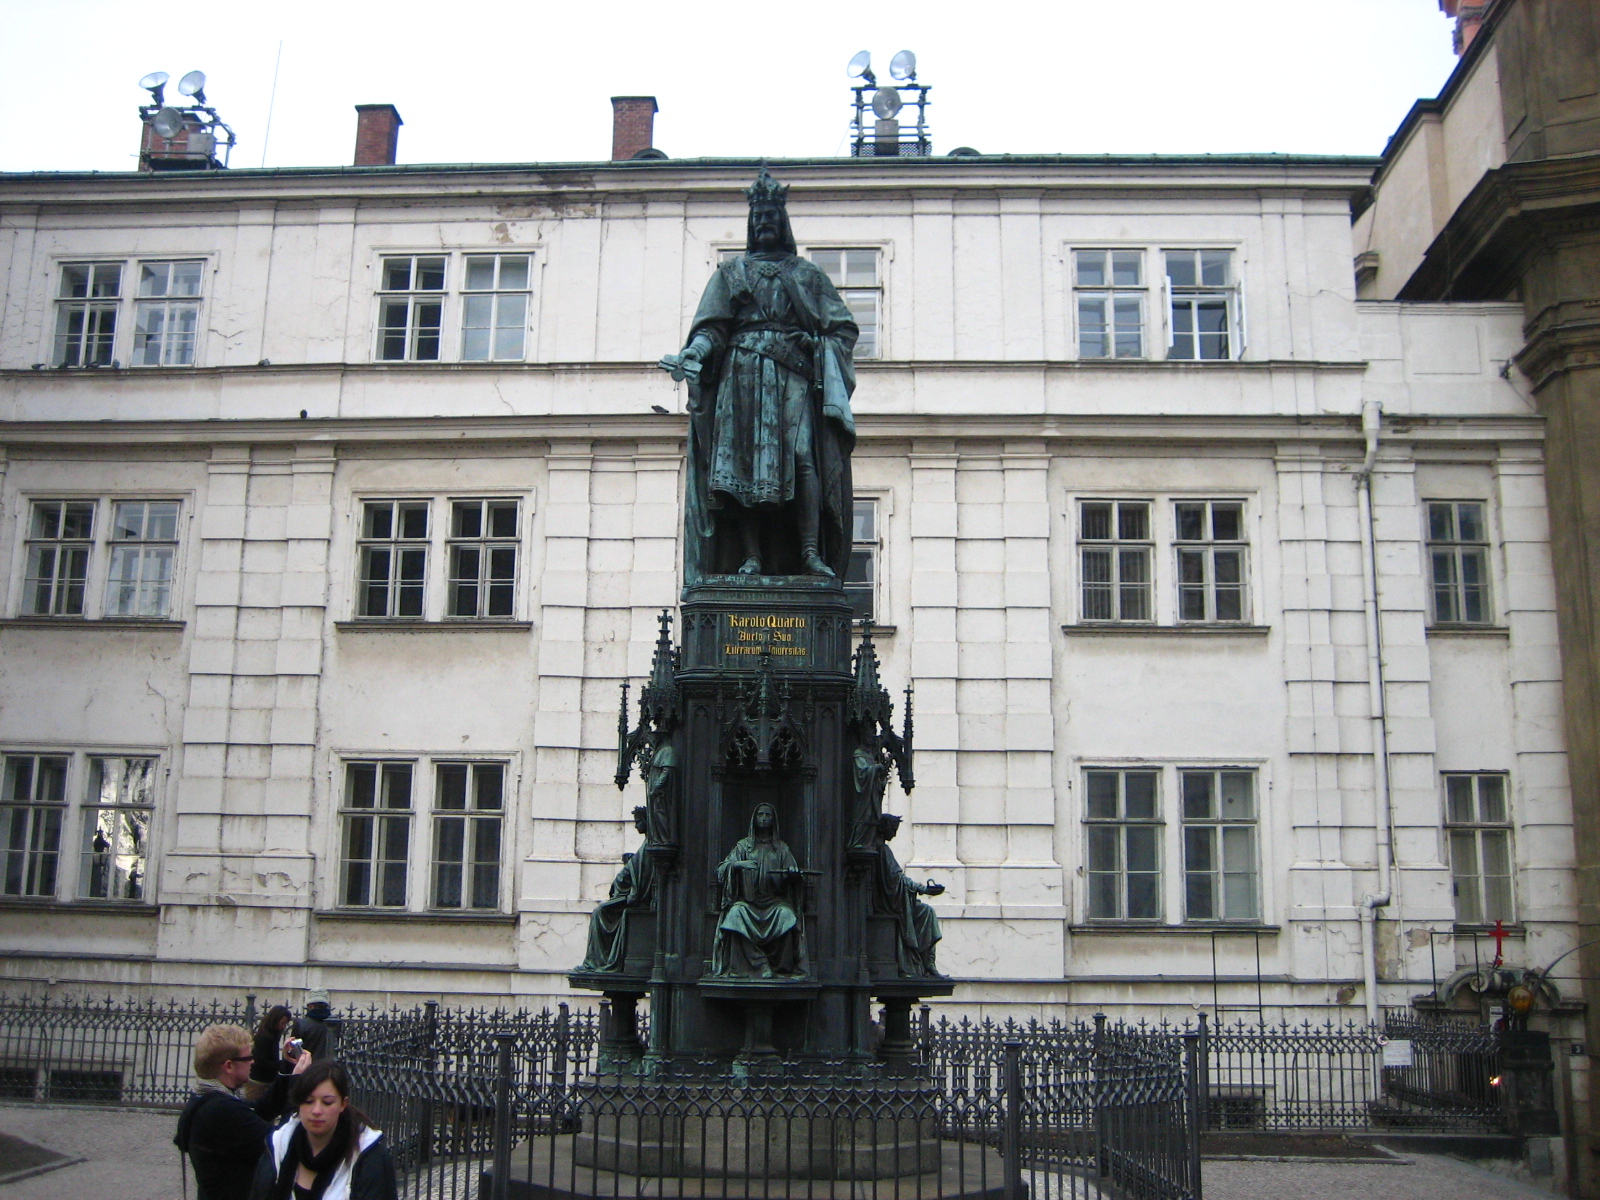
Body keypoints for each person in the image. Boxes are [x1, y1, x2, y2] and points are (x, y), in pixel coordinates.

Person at [663, 167, 859, 583]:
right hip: (741, 379)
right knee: (744, 467)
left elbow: (842, 329)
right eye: (759, 217)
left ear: (782, 222)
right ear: (751, 224)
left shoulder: (807, 275)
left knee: (804, 458)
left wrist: (817, 345)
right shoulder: (731, 273)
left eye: (771, 216)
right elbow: (712, 329)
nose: (765, 222)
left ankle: (810, 552)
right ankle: (750, 557)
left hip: (793, 377)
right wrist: (695, 352)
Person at [174, 1023, 310, 1200]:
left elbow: (260, 1111)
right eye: (248, 1058)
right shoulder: (220, 1110)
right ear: (229, 1066)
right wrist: (299, 1084)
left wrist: (287, 1069)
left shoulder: (208, 1097)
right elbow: (282, 1142)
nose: (253, 1061)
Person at [250, 1060, 398, 1200]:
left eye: (327, 1102)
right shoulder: (278, 1146)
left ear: (343, 1104)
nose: (316, 1111)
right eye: (308, 1101)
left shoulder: (370, 1157)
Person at [712, 802, 808, 978]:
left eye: (767, 815)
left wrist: (793, 875)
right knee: (735, 914)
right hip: (748, 903)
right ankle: (758, 964)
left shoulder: (782, 849)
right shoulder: (743, 847)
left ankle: (781, 967)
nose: (763, 818)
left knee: (786, 915)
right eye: (760, 815)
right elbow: (721, 869)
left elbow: (796, 878)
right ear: (754, 819)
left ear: (773, 820)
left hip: (774, 903)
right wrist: (738, 865)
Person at [576, 807, 655, 973]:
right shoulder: (647, 844)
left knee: (599, 913)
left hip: (632, 898)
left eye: (638, 822)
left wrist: (631, 869)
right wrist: (631, 861)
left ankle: (598, 961)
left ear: (647, 822)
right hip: (628, 896)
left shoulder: (650, 845)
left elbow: (643, 877)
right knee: (600, 912)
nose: (636, 826)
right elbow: (639, 870)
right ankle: (598, 960)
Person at [872, 814, 945, 978]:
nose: (894, 834)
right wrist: (922, 889)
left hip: (891, 900)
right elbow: (896, 879)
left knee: (926, 911)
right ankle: (926, 964)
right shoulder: (882, 850)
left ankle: (929, 963)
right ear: (883, 828)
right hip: (887, 903)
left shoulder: (881, 848)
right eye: (893, 829)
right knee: (926, 912)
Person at [248, 1005, 296, 1102]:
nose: (284, 1027)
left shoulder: (274, 1035)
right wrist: (282, 1063)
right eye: (282, 1023)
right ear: (274, 1021)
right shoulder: (263, 1038)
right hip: (259, 1082)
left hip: (268, 1080)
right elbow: (261, 1062)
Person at [294, 990, 336, 1061]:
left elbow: (295, 1051)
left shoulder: (301, 1024)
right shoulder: (333, 1023)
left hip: (307, 1065)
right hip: (328, 1065)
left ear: (310, 1006)